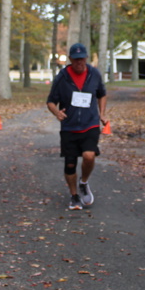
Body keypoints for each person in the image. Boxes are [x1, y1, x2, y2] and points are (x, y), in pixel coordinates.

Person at [46, 43, 108, 211]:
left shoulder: (94, 74)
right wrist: (56, 113)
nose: (79, 62)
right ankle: (74, 196)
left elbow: (102, 94)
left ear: (86, 58)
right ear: (70, 59)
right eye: (75, 59)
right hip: (69, 126)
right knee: (70, 164)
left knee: (89, 155)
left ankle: (84, 182)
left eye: (82, 59)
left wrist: (102, 114)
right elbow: (50, 101)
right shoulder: (62, 77)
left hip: (90, 123)